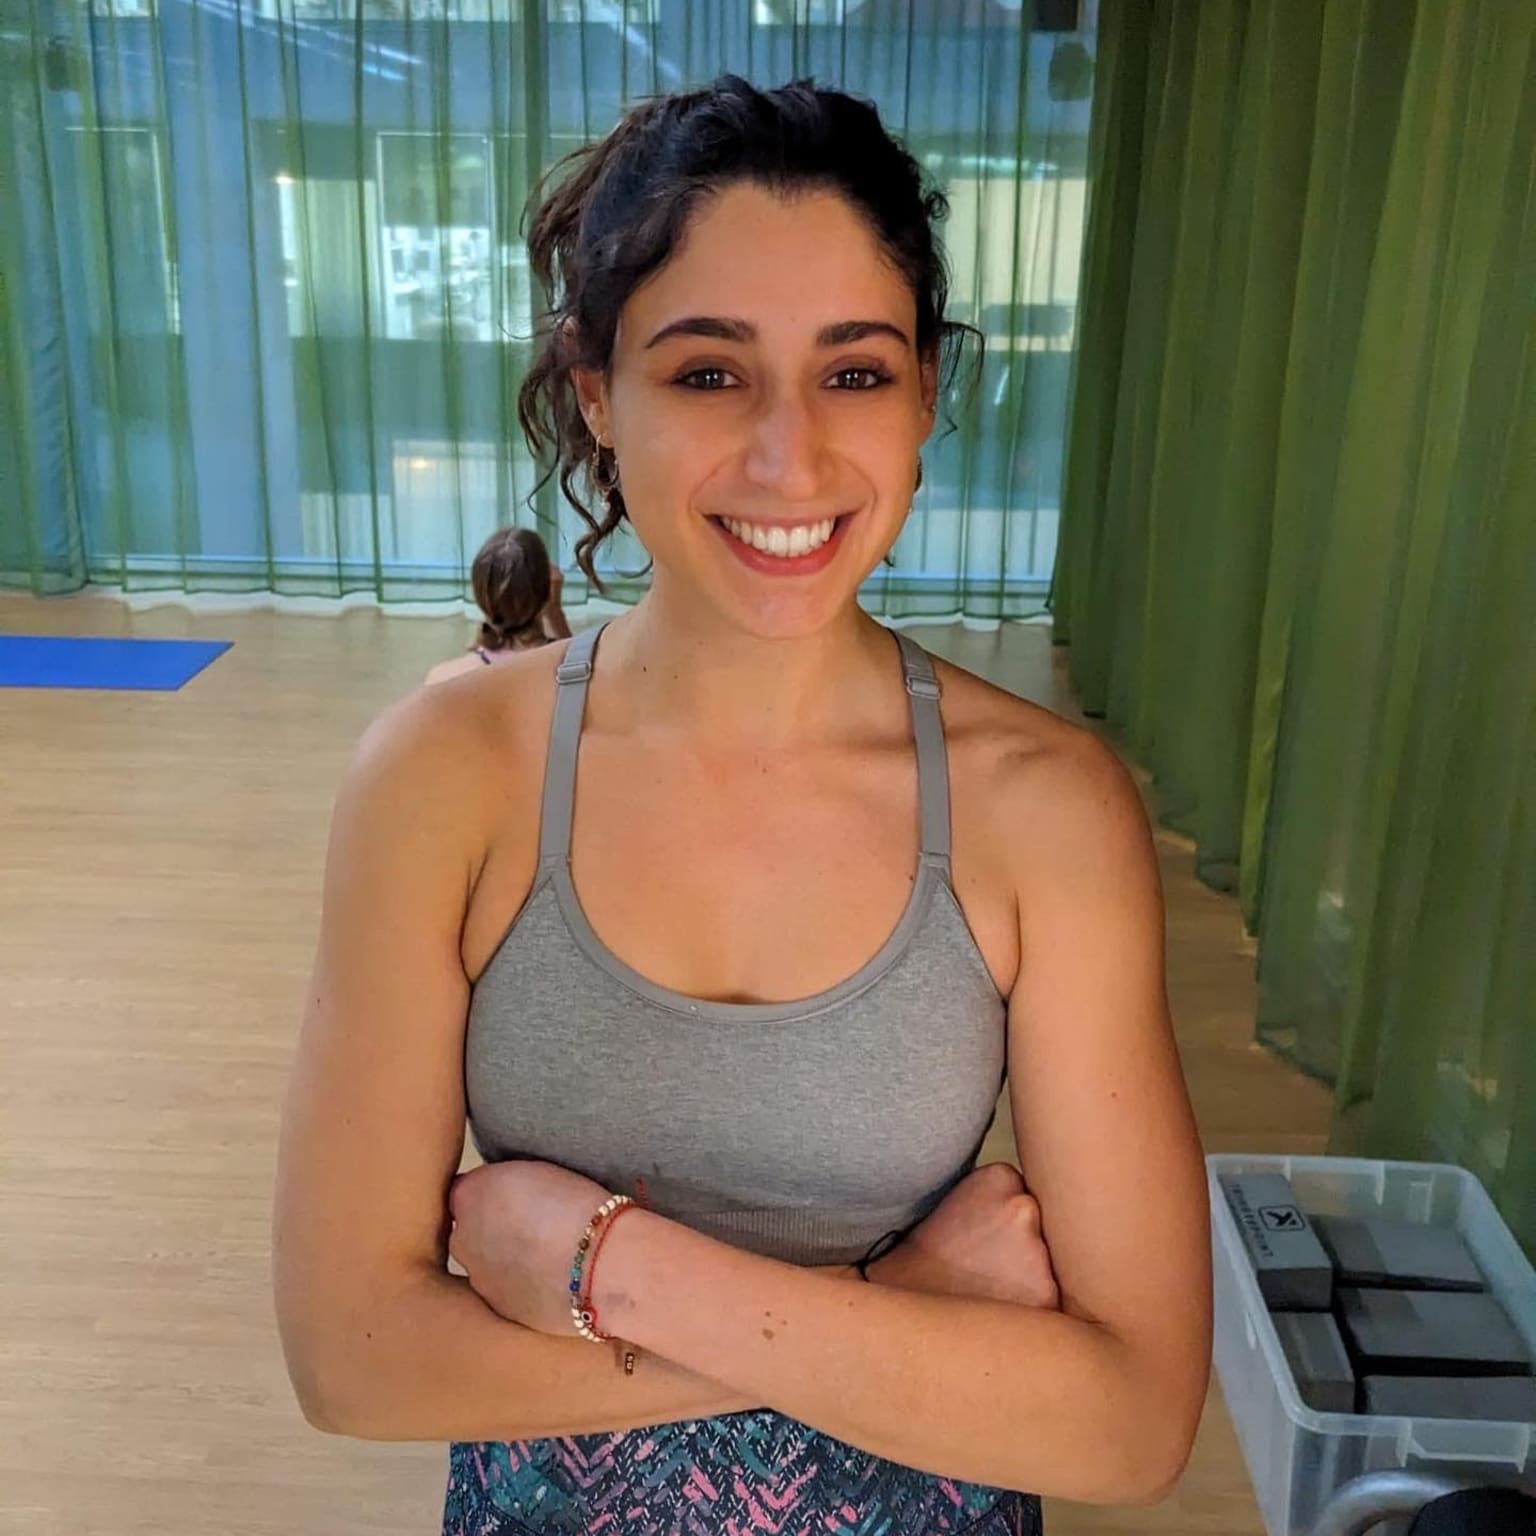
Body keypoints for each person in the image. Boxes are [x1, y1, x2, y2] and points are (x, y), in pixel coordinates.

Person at [273, 76, 1212, 1536]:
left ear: (926, 395)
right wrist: (892, 1299)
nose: (790, 459)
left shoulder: (1044, 811)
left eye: (856, 374)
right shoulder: (444, 777)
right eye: (709, 373)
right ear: (597, 394)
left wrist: (617, 1273)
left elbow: (1133, 1419)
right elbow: (355, 1359)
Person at [425, 526, 572, 687]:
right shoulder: (570, 674)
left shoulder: (443, 678)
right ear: (548, 591)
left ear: (480, 594)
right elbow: (579, 665)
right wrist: (555, 613)